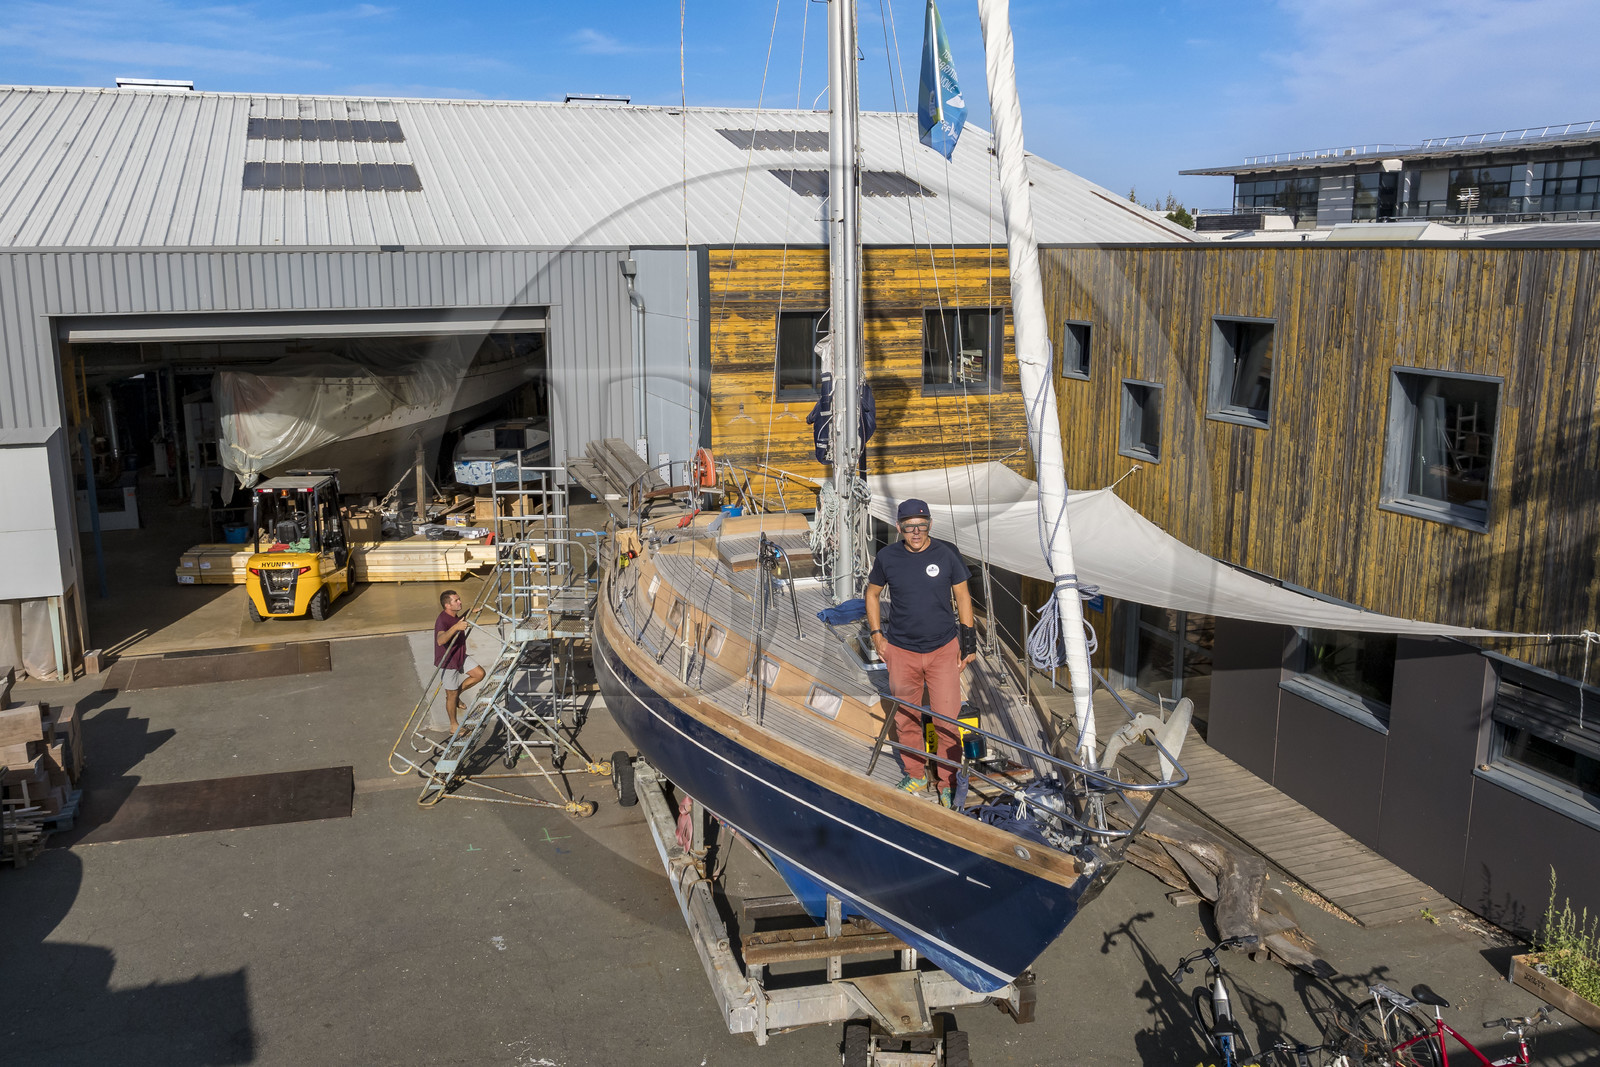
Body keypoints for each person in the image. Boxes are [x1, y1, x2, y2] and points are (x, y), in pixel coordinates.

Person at [863, 499, 977, 807]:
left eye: (922, 526)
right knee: (907, 717)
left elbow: (963, 598)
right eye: (910, 527)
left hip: (943, 649)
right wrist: (877, 636)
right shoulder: (887, 557)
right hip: (901, 651)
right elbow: (872, 594)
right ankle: (915, 773)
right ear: (899, 527)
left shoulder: (946, 553)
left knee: (947, 720)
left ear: (930, 526)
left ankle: (948, 780)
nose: (917, 533)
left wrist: (969, 645)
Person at [434, 589, 485, 733]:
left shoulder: (454, 616)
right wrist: (456, 627)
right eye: (456, 601)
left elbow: (457, 620)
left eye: (459, 599)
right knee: (450, 694)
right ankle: (453, 725)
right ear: (447, 605)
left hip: (460, 655)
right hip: (448, 661)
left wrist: (469, 612)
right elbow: (440, 640)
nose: (460, 602)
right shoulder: (442, 620)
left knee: (479, 674)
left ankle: (457, 696)